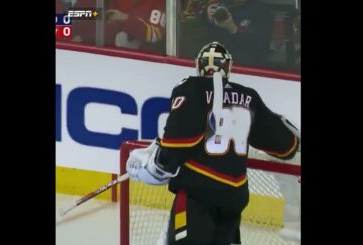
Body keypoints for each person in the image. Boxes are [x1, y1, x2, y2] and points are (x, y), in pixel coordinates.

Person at [126, 41, 300, 244]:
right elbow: (285, 145)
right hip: (233, 198)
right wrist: (293, 140)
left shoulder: (191, 87)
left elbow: (177, 144)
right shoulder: (249, 97)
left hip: (198, 195)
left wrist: (157, 165)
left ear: (199, 66)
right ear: (227, 67)